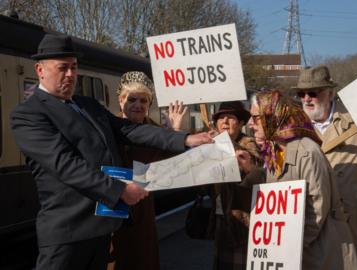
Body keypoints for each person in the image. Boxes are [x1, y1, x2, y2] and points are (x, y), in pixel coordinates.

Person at [9, 33, 212, 270]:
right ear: (40, 70)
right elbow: (64, 164)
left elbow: (132, 131)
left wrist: (186, 138)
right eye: (62, 68)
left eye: (74, 67)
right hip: (69, 233)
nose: (71, 74)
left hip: (103, 227)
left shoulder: (88, 106)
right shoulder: (28, 114)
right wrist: (120, 190)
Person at [242, 90, 357, 269]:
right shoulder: (274, 151)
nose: (250, 123)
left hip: (318, 254)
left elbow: (317, 211)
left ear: (273, 116)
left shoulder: (307, 152)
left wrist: (286, 249)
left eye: (255, 117)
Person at [292, 65, 357, 270]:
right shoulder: (294, 129)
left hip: (354, 218)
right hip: (314, 220)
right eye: (302, 93)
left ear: (330, 93)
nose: (306, 99)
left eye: (313, 92)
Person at [109, 71, 188, 270]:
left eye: (143, 100)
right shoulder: (107, 129)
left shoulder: (158, 133)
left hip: (142, 214)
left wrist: (174, 133)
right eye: (132, 99)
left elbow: (174, 169)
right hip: (112, 213)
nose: (138, 105)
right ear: (120, 101)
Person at [210, 101, 265, 270]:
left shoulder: (247, 142)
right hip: (222, 218)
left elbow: (254, 162)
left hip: (243, 221)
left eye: (231, 117)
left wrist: (224, 143)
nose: (225, 121)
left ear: (241, 123)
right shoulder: (211, 144)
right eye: (221, 118)